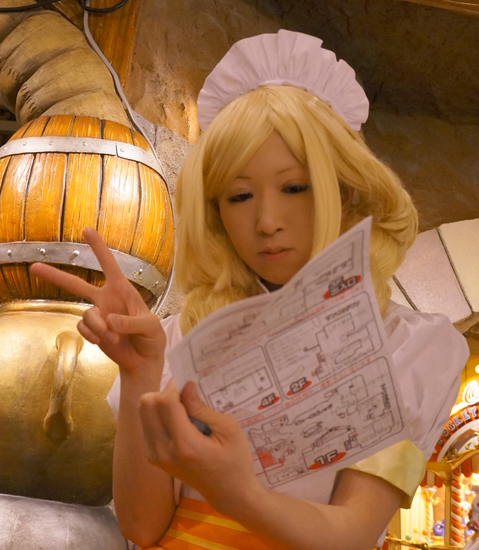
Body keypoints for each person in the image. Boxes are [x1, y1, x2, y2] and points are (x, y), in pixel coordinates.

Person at [30, 30, 469, 550]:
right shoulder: (181, 340)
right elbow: (142, 527)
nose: (267, 222)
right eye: (239, 196)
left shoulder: (410, 351)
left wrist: (237, 492)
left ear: (347, 193)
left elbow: (352, 535)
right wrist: (139, 372)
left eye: (295, 187)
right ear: (214, 211)